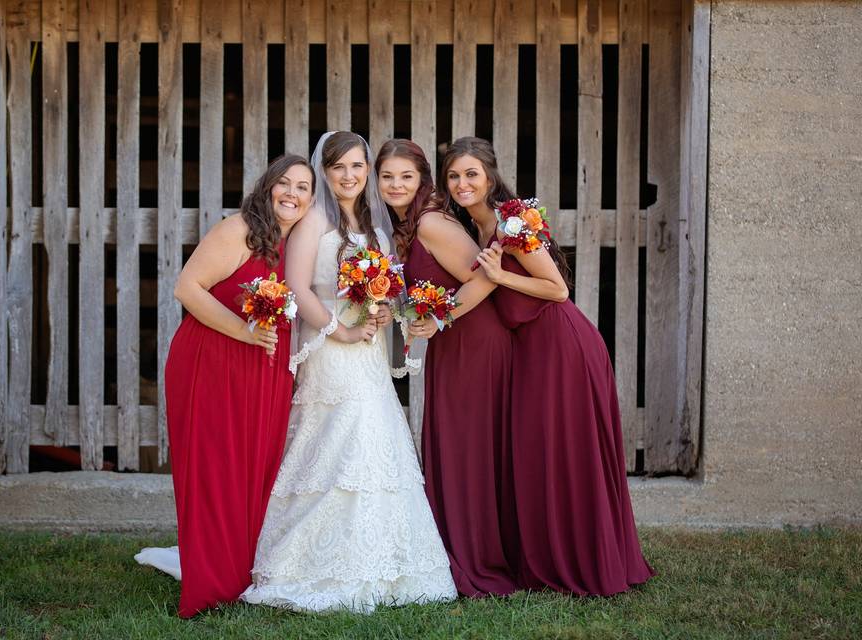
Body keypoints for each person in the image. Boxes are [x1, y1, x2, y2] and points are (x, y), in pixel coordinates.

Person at [240, 131, 457, 612]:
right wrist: (336, 328)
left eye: (358, 166)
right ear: (325, 170)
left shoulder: (375, 224)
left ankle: (387, 561)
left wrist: (383, 316)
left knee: (376, 444)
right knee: (337, 445)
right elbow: (297, 285)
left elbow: (386, 287)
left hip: (369, 349)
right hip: (330, 347)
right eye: (339, 167)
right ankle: (312, 562)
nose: (349, 176)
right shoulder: (314, 218)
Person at [442, 136, 655, 596]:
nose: (462, 183)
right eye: (454, 176)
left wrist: (499, 276)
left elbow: (557, 288)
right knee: (543, 454)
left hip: (561, 343)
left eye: (471, 174)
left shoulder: (511, 221)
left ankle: (588, 562)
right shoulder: (473, 228)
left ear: (490, 176)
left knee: (567, 452)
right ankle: (553, 556)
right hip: (529, 348)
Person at [135, 155, 314, 617]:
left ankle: (238, 568)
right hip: (212, 361)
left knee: (255, 470)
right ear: (268, 187)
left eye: (304, 187)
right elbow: (187, 288)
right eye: (284, 183)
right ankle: (211, 580)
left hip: (266, 369)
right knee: (216, 468)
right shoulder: (238, 230)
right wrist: (245, 332)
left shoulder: (298, 244)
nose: (292, 194)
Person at [376, 138, 517, 596]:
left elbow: (484, 277)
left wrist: (440, 318)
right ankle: (455, 546)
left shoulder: (433, 223)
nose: (395, 185)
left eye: (406, 176)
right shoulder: (409, 225)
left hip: (476, 342)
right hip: (451, 345)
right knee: (453, 445)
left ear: (422, 181)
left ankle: (480, 557)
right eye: (387, 177)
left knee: (468, 448)